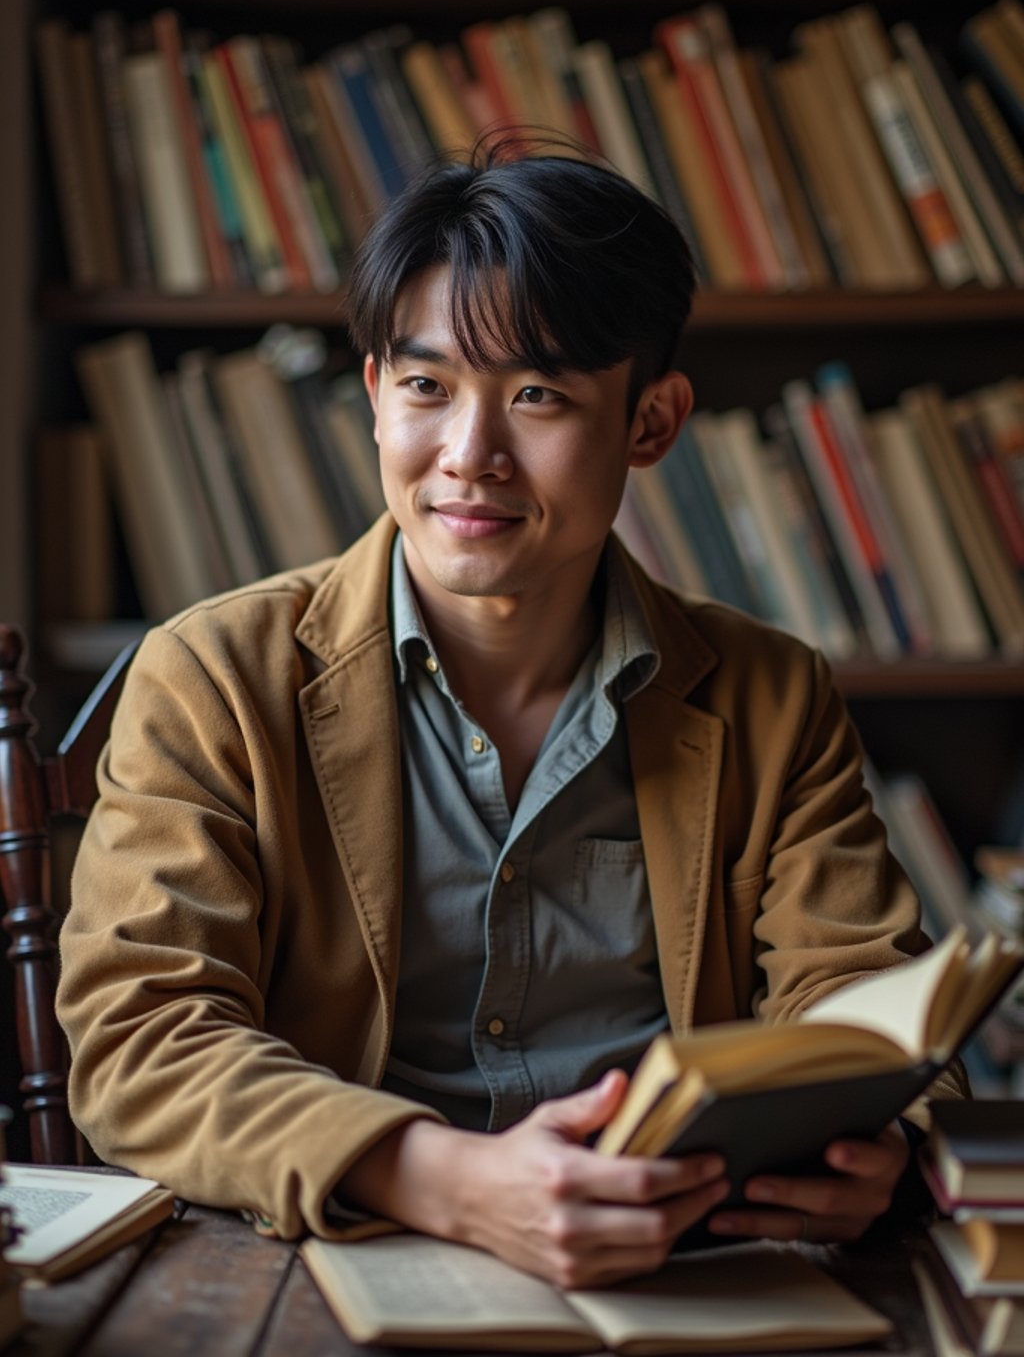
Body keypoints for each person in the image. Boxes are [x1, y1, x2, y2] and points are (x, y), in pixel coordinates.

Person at [57, 147, 965, 1291]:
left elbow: (869, 1007)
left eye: (537, 395)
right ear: (379, 392)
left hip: (687, 1266)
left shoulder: (769, 694)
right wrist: (434, 1175)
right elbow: (143, 1042)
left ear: (651, 421)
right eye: (429, 387)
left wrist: (882, 1152)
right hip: (330, 1264)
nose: (469, 458)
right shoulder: (213, 675)